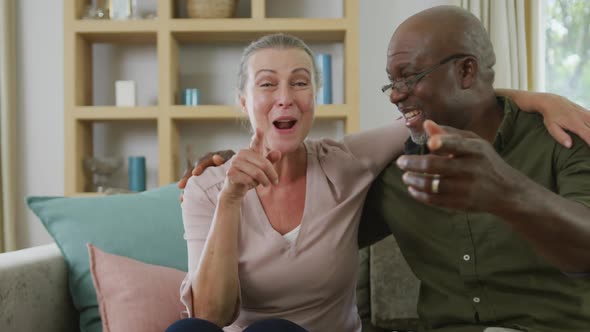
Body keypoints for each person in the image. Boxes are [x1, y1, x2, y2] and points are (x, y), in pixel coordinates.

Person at [174, 31, 590, 332]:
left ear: (314, 98)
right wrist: (230, 198)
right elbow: (212, 316)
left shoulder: (346, 162)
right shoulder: (208, 188)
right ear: (244, 101)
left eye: (300, 82)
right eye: (267, 84)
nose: (285, 96)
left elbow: (439, 106)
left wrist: (539, 99)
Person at [357, 5, 590, 332]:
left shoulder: (561, 136)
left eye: (409, 76)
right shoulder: (398, 169)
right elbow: (317, 238)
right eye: (391, 81)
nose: (395, 95)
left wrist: (507, 192)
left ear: (466, 71)